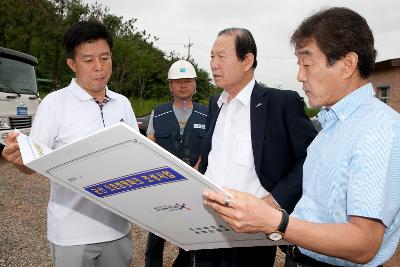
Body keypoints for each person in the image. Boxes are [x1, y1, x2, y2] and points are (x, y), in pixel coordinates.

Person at [202, 7, 400, 267]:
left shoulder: (379, 128)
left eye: (307, 64)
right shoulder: (330, 126)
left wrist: (274, 219)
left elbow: (364, 243)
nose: (299, 76)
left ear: (347, 64)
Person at [2, 21, 138, 267]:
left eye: (105, 58)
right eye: (88, 61)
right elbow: (32, 164)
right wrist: (19, 160)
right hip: (72, 234)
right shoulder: (54, 104)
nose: (99, 67)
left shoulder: (123, 103)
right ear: (72, 64)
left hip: (119, 229)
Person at [195, 28, 317, 267]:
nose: (213, 64)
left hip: (252, 234)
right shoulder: (215, 104)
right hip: (207, 230)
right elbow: (211, 158)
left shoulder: (281, 103)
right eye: (211, 57)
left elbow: (313, 158)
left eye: (221, 56)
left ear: (247, 60)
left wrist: (273, 203)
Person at [144, 60, 207, 267]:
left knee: (189, 242)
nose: (183, 85)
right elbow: (150, 144)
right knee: (155, 241)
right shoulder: (158, 113)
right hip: (162, 185)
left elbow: (209, 146)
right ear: (170, 85)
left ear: (195, 85)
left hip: (193, 187)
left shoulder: (207, 114)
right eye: (178, 81)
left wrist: (197, 170)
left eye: (187, 81)